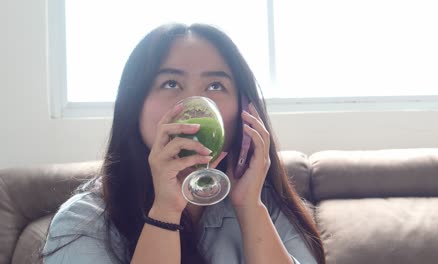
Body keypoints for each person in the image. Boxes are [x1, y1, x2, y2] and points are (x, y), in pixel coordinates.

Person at [42, 23, 325, 264]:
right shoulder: (83, 221)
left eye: (215, 86)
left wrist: (249, 207)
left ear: (245, 112)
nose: (195, 106)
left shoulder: (268, 206)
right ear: (134, 105)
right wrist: (165, 209)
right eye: (171, 84)